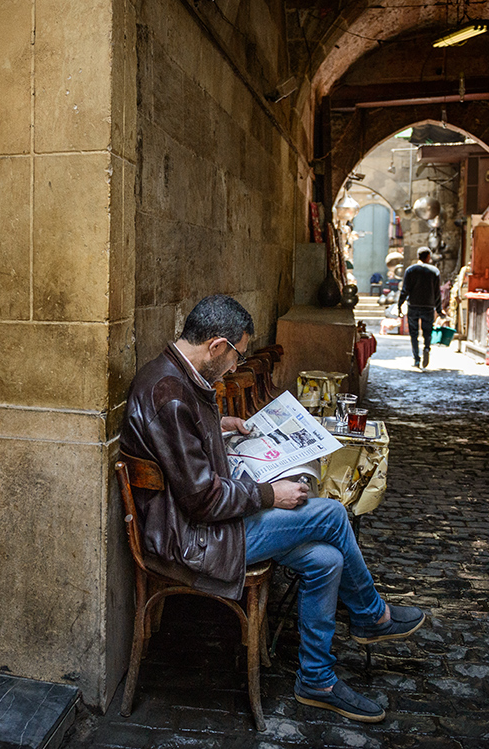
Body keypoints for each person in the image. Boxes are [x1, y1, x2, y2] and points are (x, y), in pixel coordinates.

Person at [120, 294, 425, 723]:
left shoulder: (174, 376)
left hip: (206, 523)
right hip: (192, 538)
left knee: (327, 559)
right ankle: (372, 616)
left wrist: (218, 425)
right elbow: (202, 499)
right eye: (236, 354)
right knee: (333, 514)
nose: (233, 365)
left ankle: (316, 678)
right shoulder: (169, 394)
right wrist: (271, 495)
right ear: (216, 346)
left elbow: (187, 451)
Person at [397, 247, 444, 369]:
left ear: (418, 256)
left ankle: (416, 358)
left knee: (413, 333)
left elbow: (405, 289)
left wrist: (399, 305)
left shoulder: (410, 270)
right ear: (428, 257)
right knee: (427, 331)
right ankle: (427, 348)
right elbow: (437, 292)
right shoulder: (434, 271)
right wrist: (439, 309)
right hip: (428, 306)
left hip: (413, 305)